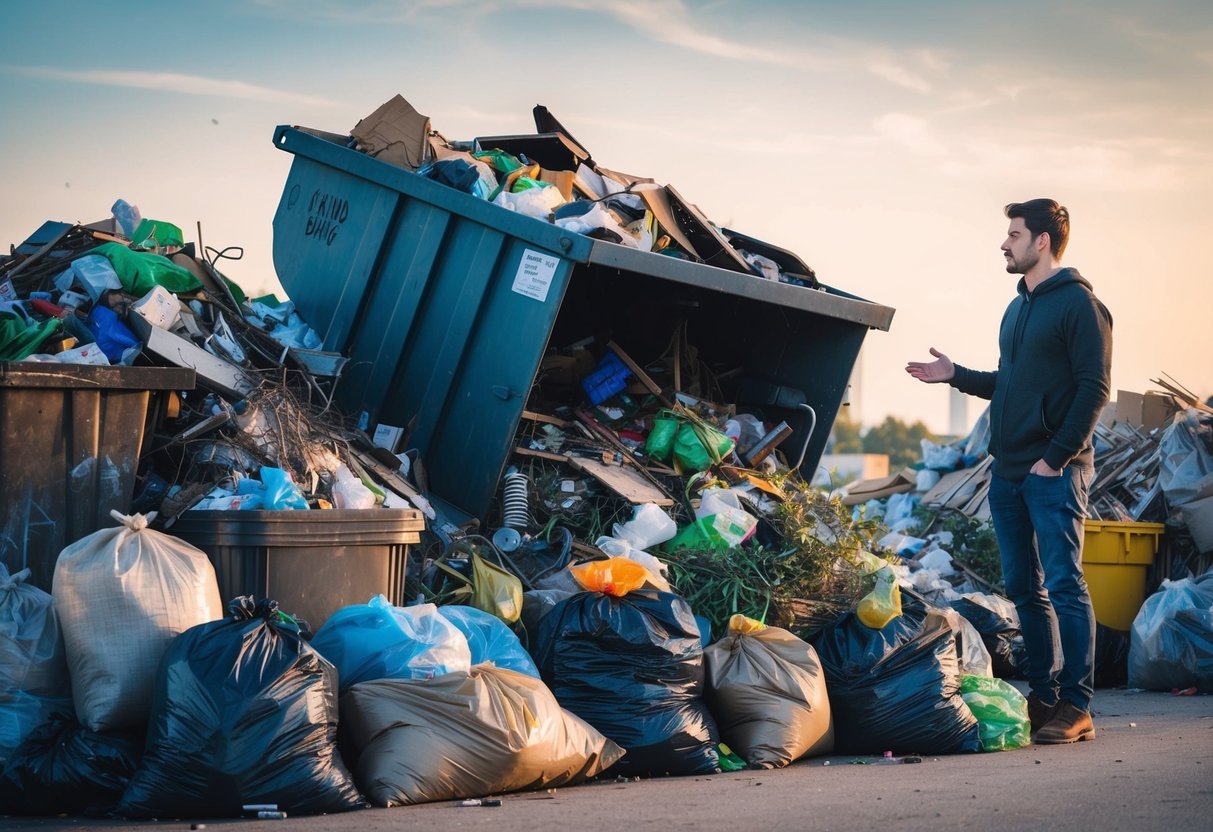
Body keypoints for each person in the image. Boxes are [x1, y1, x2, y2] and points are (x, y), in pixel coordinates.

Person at [906, 198, 1112, 744]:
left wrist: (1056, 459)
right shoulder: (1017, 307)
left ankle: (1078, 704)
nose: (1004, 243)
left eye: (1014, 235)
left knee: (1065, 584)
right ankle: (1043, 698)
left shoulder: (1080, 306)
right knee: (1025, 588)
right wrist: (955, 375)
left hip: (1053, 472)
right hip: (1009, 471)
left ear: (1042, 241)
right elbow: (1010, 382)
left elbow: (1094, 389)